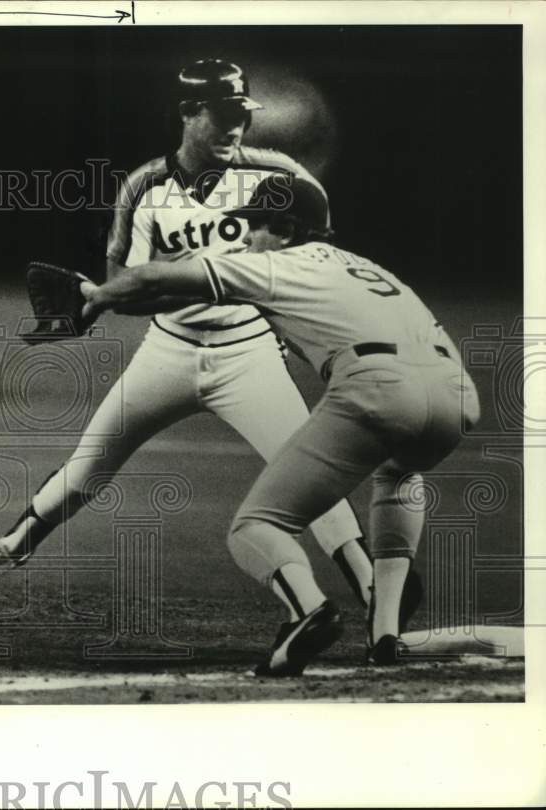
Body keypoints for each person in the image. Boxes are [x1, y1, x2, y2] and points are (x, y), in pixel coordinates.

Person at [0, 58, 418, 631]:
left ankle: (373, 591)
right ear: (188, 113)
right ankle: (7, 550)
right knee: (89, 468)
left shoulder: (281, 175)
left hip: (248, 353)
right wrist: (98, 299)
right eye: (220, 115)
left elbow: (311, 267)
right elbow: (123, 280)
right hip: (166, 352)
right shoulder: (145, 188)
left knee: (304, 472)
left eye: (241, 115)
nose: (234, 128)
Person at [79, 173, 480, 674]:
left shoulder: (277, 265)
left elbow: (154, 278)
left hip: (380, 386)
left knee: (255, 527)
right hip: (455, 394)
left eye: (255, 226)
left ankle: (309, 610)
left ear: (287, 229)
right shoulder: (366, 266)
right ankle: (385, 634)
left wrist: (97, 295)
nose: (245, 237)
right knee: (399, 471)